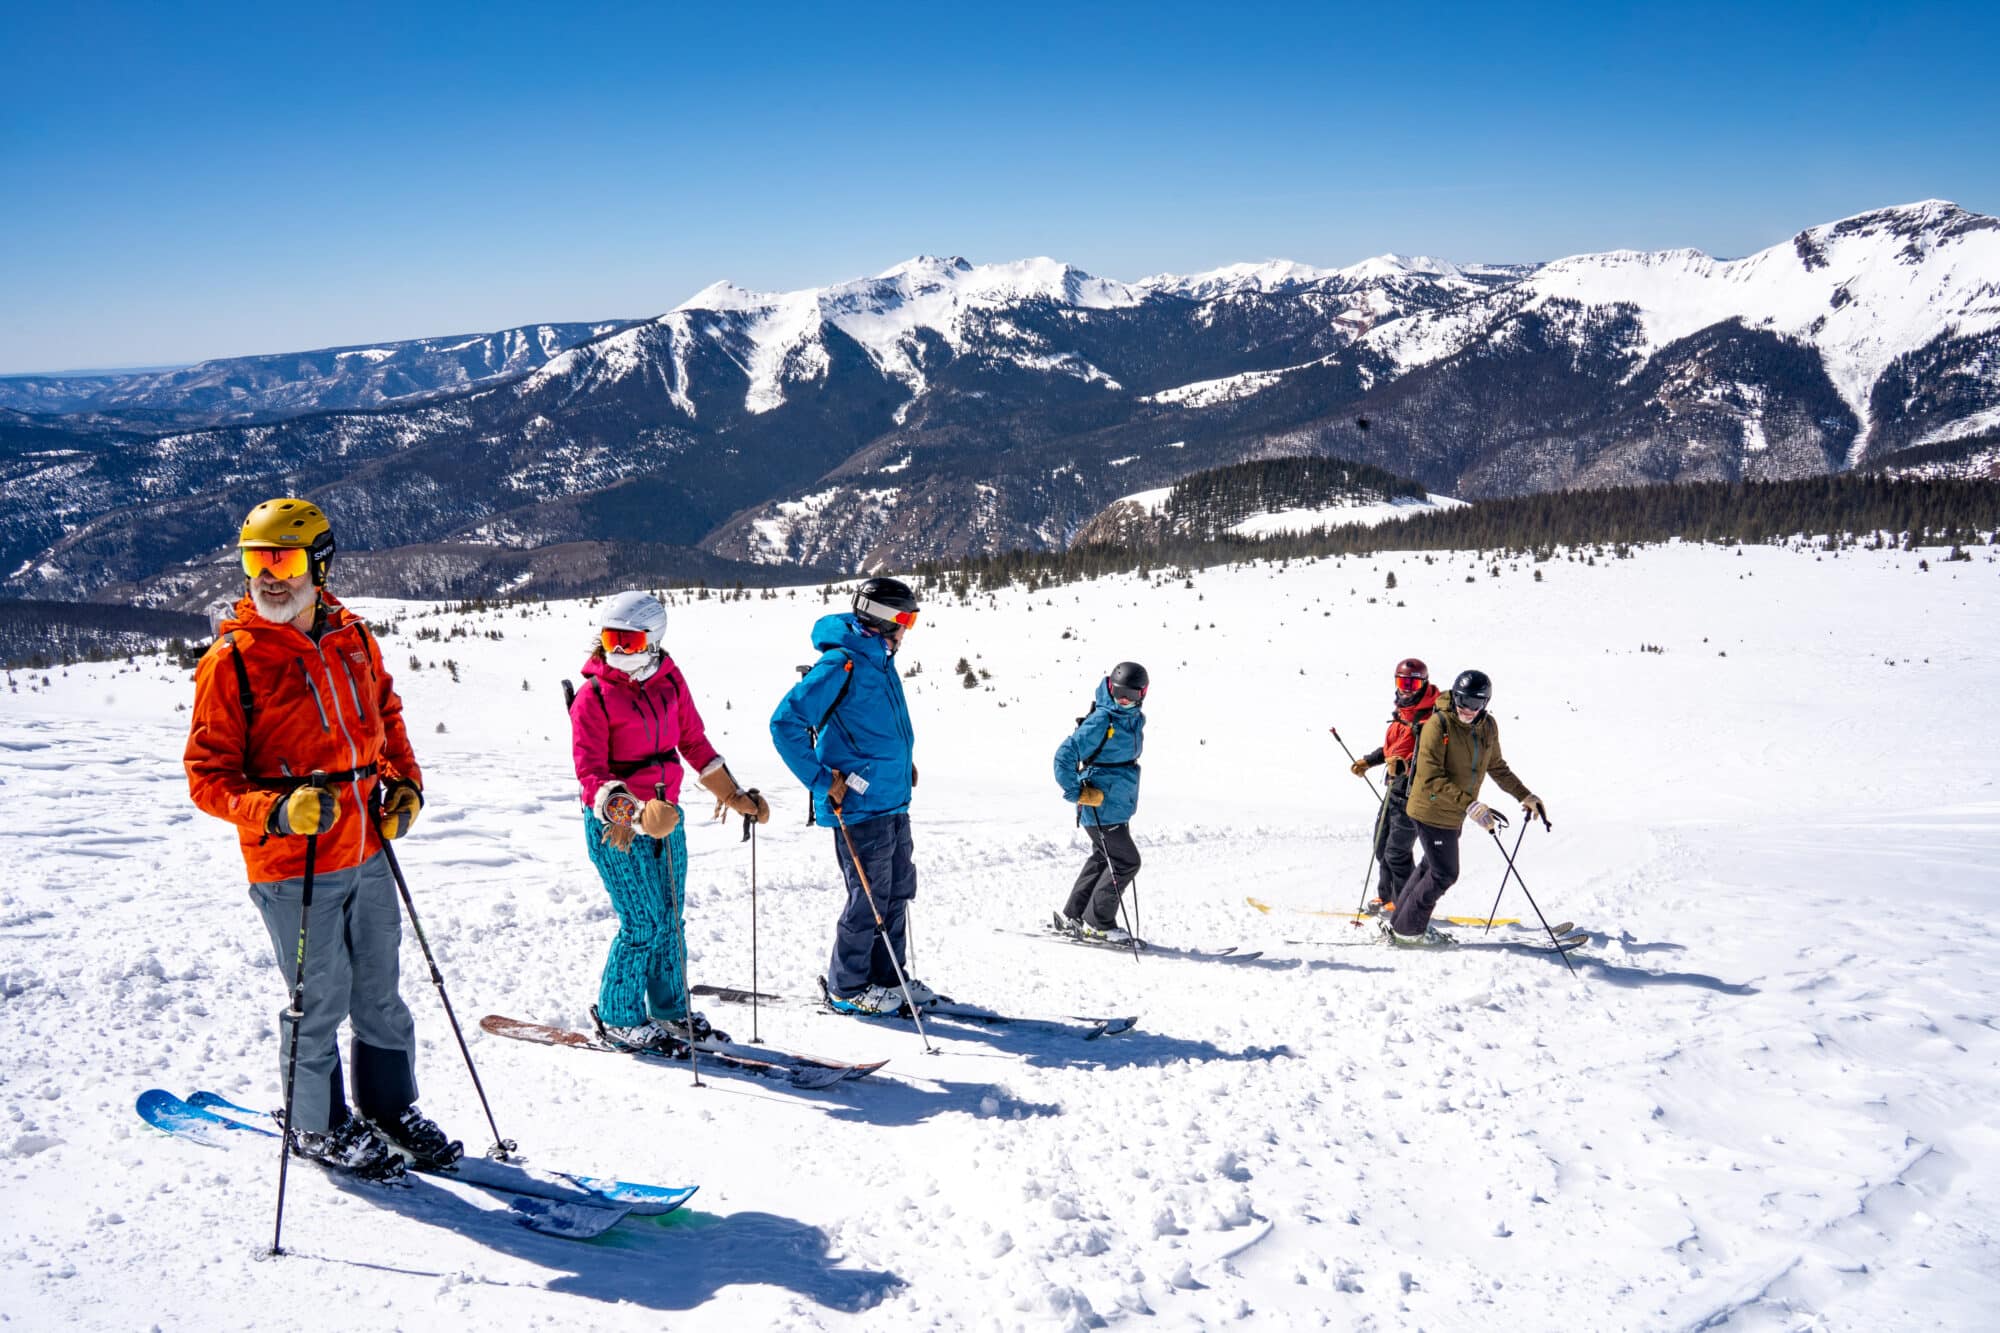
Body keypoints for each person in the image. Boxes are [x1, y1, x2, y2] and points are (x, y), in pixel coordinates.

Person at [183, 497, 456, 1179]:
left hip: (367, 846)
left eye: (283, 558)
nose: (267, 576)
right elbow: (207, 777)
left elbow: (387, 722)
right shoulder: (233, 662)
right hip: (291, 864)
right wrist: (277, 811)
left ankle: (389, 1110)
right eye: (255, 560)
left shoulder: (355, 636)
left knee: (380, 991)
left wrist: (406, 785)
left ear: (319, 564)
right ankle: (318, 1124)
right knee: (319, 995)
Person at [570, 591, 769, 1052]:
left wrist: (734, 795)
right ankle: (619, 1017)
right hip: (615, 827)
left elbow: (694, 743)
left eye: (628, 640)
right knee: (641, 922)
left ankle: (669, 1007)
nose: (616, 650)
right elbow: (591, 775)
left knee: (670, 920)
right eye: (608, 639)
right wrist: (633, 814)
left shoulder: (670, 681)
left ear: (653, 639)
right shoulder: (593, 696)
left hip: (667, 818)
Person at [770, 577, 929, 1016]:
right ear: (881, 620)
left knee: (897, 891)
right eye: (905, 619)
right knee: (869, 898)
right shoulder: (842, 663)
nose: (908, 629)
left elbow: (874, 729)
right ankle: (847, 988)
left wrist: (901, 764)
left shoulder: (880, 659)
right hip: (858, 807)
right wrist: (822, 780)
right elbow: (784, 725)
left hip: (892, 799)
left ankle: (888, 977)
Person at [1386, 668, 1546, 947]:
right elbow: (1431, 776)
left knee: (1430, 866)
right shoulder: (1439, 725)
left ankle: (1401, 924)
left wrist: (1525, 795)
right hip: (1430, 808)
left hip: (1453, 811)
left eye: (1474, 703)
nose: (1466, 709)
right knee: (1444, 873)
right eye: (1462, 701)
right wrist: (1471, 805)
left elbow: (1496, 766)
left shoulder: (1488, 727)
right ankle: (1410, 930)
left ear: (1485, 703)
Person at [1054, 662, 1149, 943]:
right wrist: (1076, 792)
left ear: (1142, 694)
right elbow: (1064, 755)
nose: (1125, 701)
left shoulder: (1130, 718)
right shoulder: (1103, 719)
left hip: (1115, 803)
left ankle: (1075, 914)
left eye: (1131, 696)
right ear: (1111, 688)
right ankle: (1098, 922)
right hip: (1101, 806)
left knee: (1102, 857)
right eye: (1120, 694)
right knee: (1125, 861)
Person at [1348, 657, 1439, 915]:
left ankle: (1405, 904)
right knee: (1381, 846)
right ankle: (1386, 896)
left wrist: (1406, 766)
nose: (1407, 688)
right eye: (1402, 682)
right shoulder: (1404, 713)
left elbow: (1431, 758)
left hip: (1414, 794)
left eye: (1412, 683)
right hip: (1394, 789)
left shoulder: (1430, 719)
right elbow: (1393, 750)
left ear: (1423, 684)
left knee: (1396, 852)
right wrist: (1369, 761)